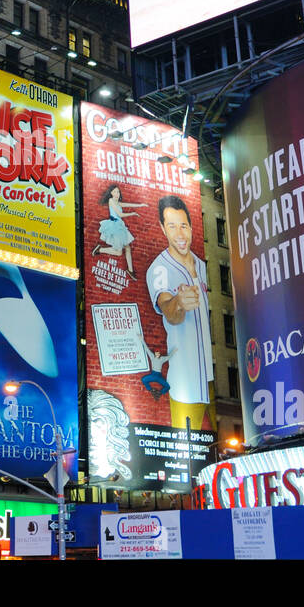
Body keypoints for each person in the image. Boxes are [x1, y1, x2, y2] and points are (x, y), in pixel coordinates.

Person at [145, 195, 214, 431]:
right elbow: (169, 311)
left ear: (192, 227)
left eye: (183, 225)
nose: (180, 234)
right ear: (163, 229)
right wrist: (179, 303)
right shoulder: (160, 268)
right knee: (186, 457)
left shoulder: (204, 267)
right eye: (172, 226)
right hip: (188, 385)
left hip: (213, 381)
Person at [92, 185, 145, 279]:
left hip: (120, 226)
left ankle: (130, 270)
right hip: (115, 226)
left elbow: (129, 204)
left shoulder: (118, 202)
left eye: (118, 192)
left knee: (127, 247)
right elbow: (120, 214)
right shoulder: (111, 201)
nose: (117, 194)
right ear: (111, 193)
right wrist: (132, 213)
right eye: (115, 192)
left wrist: (140, 205)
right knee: (119, 252)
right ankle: (100, 249)